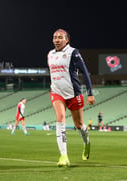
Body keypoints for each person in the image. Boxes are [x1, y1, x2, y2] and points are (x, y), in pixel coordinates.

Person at [47, 28, 95, 167]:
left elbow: (85, 73)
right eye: (55, 37)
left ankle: (86, 143)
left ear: (67, 39)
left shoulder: (73, 53)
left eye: (60, 37)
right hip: (56, 92)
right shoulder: (50, 54)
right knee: (60, 118)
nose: (57, 40)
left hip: (73, 93)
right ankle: (63, 156)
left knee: (78, 125)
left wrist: (90, 93)